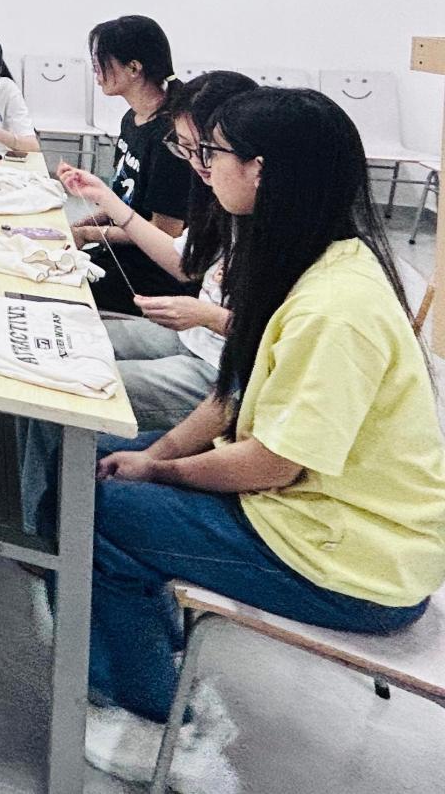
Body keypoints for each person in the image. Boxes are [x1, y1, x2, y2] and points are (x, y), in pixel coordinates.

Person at [65, 88, 445, 786]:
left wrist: (159, 473)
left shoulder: (336, 307)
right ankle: (153, 659)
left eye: (212, 152)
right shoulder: (301, 259)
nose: (202, 167)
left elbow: (273, 463)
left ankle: (152, 719)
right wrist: (156, 454)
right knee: (96, 461)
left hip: (352, 560)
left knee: (100, 509)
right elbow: (231, 395)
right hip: (310, 515)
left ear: (261, 170)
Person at [20, 71, 259, 539]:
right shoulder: (225, 199)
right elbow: (186, 261)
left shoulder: (271, 225)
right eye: (185, 149)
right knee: (48, 348)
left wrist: (207, 315)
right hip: (195, 338)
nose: (195, 164)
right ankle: (36, 509)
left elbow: (271, 341)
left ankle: (42, 533)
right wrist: (104, 200)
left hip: (214, 360)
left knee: (57, 389)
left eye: (200, 151)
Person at [82, 15, 196, 311]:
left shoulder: (170, 139)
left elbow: (166, 233)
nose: (96, 73)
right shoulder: (131, 120)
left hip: (151, 271)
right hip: (120, 253)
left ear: (134, 68)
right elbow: (122, 202)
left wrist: (89, 234)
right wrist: (77, 226)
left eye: (101, 63)